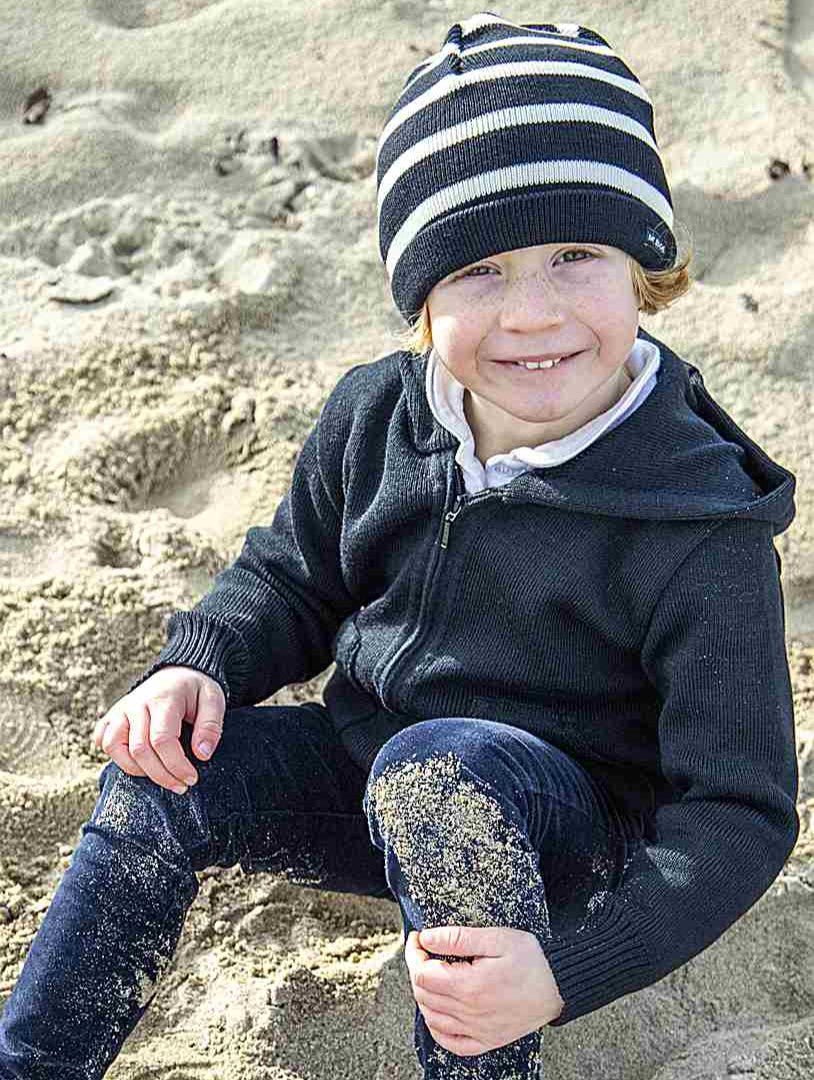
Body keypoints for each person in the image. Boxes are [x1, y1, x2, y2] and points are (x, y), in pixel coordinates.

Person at [0, 11, 800, 1080]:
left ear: (643, 264)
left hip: (573, 837)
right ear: (420, 294)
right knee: (164, 779)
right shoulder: (378, 415)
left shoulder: (699, 527)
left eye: (576, 255)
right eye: (479, 270)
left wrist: (565, 971)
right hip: (370, 770)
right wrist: (202, 662)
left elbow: (738, 814)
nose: (532, 313)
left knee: (440, 770)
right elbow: (292, 577)